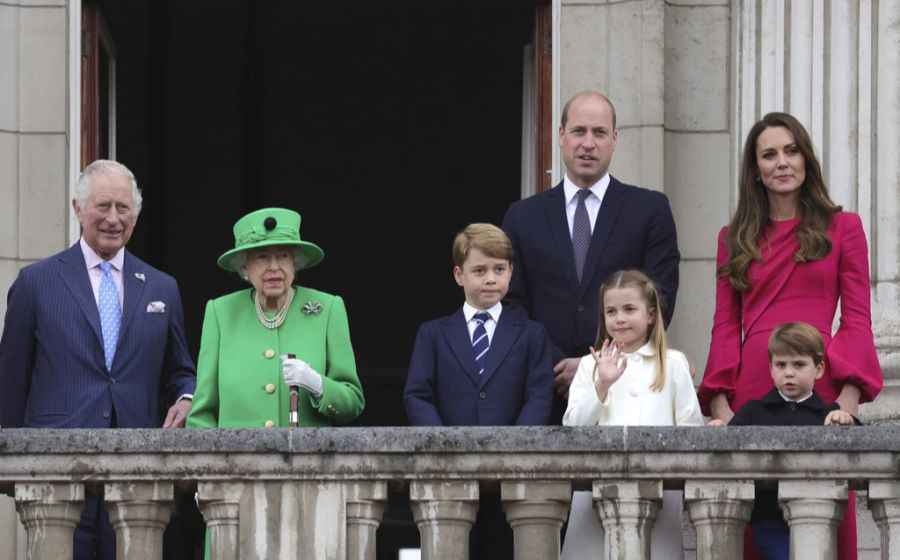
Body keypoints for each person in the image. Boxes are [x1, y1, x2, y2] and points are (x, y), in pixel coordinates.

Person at [697, 112, 882, 560]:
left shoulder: (845, 227)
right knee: (753, 533)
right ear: (755, 169)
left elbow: (856, 319)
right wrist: (724, 408)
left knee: (822, 526)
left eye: (791, 150)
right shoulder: (733, 237)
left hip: (821, 394)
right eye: (769, 154)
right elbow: (725, 325)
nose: (782, 162)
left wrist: (845, 408)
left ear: (806, 159)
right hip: (752, 395)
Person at [0, 159, 197, 559]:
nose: (112, 218)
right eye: (102, 206)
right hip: (56, 473)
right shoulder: (35, 283)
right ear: (78, 209)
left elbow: (180, 372)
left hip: (136, 476)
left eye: (122, 208)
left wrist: (186, 398)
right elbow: (11, 379)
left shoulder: (163, 287)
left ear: (136, 216)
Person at [502, 90, 680, 424]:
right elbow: (511, 304)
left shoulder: (649, 210)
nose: (588, 143)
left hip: (627, 392)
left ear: (614, 139)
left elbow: (660, 296)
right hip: (542, 392)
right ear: (560, 136)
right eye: (578, 131)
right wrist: (554, 363)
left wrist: (595, 365)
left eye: (599, 133)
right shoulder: (522, 217)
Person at [403, 223, 554, 559]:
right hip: (451, 473)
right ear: (459, 275)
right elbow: (418, 394)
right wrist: (442, 445)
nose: (490, 278)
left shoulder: (531, 334)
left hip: (511, 475)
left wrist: (516, 447)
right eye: (479, 270)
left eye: (499, 269)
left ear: (511, 272)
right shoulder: (433, 333)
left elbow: (540, 394)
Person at [562, 269, 702, 559]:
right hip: (595, 495)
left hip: (660, 494)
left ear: (650, 315)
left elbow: (691, 428)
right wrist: (602, 384)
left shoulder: (673, 363)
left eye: (629, 309)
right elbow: (572, 429)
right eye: (611, 311)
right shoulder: (590, 366)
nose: (620, 318)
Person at [187, 207, 364, 429]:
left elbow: (353, 403)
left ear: (295, 263)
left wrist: (318, 385)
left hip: (306, 460)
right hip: (236, 461)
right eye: (262, 257)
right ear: (244, 266)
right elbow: (202, 415)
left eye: (283, 256)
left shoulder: (328, 309)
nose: (274, 267)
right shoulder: (220, 312)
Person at [713, 322, 858, 560]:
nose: (789, 372)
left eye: (799, 364)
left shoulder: (828, 413)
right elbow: (731, 446)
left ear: (819, 369)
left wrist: (847, 420)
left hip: (818, 513)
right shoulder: (753, 411)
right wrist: (721, 430)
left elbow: (859, 450)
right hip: (768, 516)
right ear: (771, 369)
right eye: (781, 365)